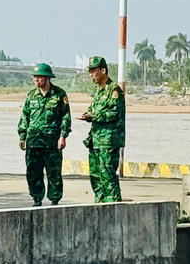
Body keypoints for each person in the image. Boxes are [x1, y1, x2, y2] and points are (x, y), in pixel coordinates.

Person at [17, 63, 71, 206]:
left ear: (48, 78)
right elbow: (25, 116)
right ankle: (37, 199)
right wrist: (22, 136)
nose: (36, 80)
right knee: (33, 173)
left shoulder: (59, 94)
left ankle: (54, 200)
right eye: (35, 77)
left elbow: (66, 116)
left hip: (52, 143)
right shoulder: (31, 95)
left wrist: (63, 136)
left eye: (39, 77)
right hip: (34, 142)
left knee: (54, 174)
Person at [79, 55, 125, 203]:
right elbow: (92, 110)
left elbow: (113, 113)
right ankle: (99, 205)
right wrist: (88, 115)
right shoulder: (98, 91)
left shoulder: (114, 90)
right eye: (90, 72)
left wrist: (94, 116)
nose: (91, 75)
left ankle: (113, 206)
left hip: (108, 141)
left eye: (93, 71)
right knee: (95, 176)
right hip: (95, 140)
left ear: (103, 70)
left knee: (108, 175)